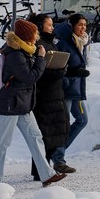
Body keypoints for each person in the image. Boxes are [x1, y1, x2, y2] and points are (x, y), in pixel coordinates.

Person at [0, 19, 66, 187]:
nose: (37, 37)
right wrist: (41, 59)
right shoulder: (15, 54)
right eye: (35, 33)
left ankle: (47, 174)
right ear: (27, 35)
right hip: (11, 104)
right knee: (1, 143)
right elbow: (29, 77)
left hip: (22, 104)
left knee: (36, 138)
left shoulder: (24, 51)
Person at [28, 14, 70, 181]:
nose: (53, 27)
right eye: (49, 25)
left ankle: (40, 170)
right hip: (44, 94)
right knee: (45, 133)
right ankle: (41, 171)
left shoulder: (49, 42)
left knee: (52, 131)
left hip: (54, 93)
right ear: (40, 26)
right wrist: (59, 71)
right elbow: (40, 72)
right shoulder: (38, 45)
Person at [50, 12, 90, 174]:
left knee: (81, 120)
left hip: (75, 90)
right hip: (66, 89)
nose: (83, 28)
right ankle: (58, 159)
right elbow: (59, 66)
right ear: (72, 26)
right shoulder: (65, 43)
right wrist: (75, 72)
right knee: (63, 125)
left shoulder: (81, 42)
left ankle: (55, 151)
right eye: (80, 25)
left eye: (85, 25)